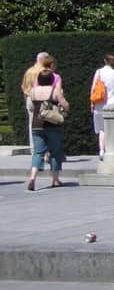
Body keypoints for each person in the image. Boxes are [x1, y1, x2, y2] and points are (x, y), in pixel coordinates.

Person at [27, 57, 69, 191]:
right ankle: (55, 180)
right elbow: (65, 105)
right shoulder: (54, 91)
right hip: (53, 125)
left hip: (36, 124)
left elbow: (31, 108)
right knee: (55, 152)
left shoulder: (33, 92)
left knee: (38, 153)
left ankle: (32, 177)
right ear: (51, 80)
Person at [90, 53, 114, 160]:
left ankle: (102, 150)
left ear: (105, 61)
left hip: (100, 104)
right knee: (113, 129)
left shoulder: (99, 72)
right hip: (113, 103)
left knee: (102, 129)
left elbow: (93, 89)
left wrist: (92, 103)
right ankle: (112, 151)